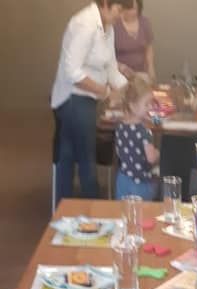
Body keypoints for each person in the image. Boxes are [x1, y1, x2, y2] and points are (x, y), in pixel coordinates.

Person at [51, 0, 130, 202]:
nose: (121, 16)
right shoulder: (84, 23)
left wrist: (130, 90)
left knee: (72, 159)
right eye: (119, 10)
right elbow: (72, 72)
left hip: (87, 100)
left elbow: (110, 68)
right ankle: (91, 212)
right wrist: (105, 92)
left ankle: (68, 209)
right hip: (72, 99)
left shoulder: (108, 28)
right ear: (105, 3)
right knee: (85, 161)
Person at [115, 74, 159, 199]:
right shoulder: (144, 132)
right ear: (132, 106)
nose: (150, 107)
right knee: (142, 210)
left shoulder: (120, 127)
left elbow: (118, 151)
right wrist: (158, 153)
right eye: (146, 104)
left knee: (122, 209)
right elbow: (151, 158)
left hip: (123, 178)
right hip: (141, 180)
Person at [114, 0, 155, 79]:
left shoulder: (145, 22)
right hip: (120, 73)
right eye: (129, 8)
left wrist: (150, 68)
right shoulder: (115, 24)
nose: (132, 12)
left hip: (141, 72)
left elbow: (149, 48)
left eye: (135, 8)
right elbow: (108, 55)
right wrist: (121, 67)